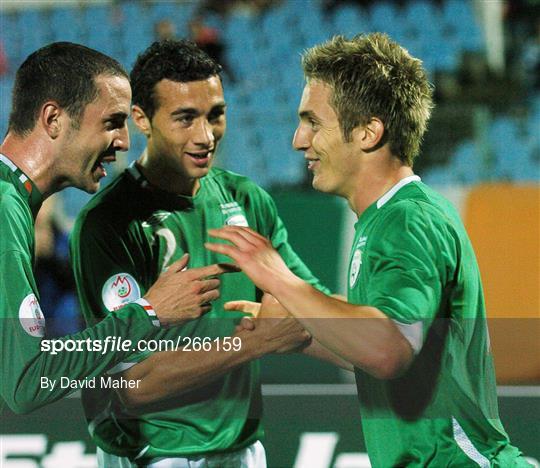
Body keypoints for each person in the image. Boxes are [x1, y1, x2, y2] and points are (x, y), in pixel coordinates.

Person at [207, 33, 531, 466]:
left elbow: (389, 347)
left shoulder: (407, 220)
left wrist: (280, 279)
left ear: (367, 131)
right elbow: (393, 345)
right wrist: (299, 330)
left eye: (312, 122)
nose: (298, 140)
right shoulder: (387, 218)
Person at [69, 40, 329, 467]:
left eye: (215, 115)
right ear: (141, 119)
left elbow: (311, 310)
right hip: (155, 455)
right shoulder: (111, 223)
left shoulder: (246, 199)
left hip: (241, 451)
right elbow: (132, 384)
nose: (205, 136)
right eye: (185, 118)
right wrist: (254, 343)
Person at [0, 42, 230, 415]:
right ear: (53, 119)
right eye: (111, 122)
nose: (124, 141)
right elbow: (27, 382)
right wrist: (149, 313)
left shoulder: (13, 200)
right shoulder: (5, 206)